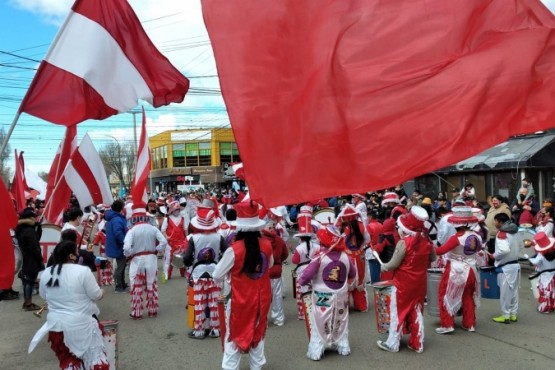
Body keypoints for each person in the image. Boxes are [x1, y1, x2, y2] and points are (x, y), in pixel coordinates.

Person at [28, 240, 108, 370]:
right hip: (82, 324)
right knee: (95, 360)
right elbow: (96, 295)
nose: (78, 254)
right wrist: (102, 292)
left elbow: (43, 295)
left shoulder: (46, 272)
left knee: (69, 362)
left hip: (57, 326)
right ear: (71, 256)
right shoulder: (83, 271)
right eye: (76, 252)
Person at [212, 200, 273, 370]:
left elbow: (217, 274)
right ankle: (256, 366)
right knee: (258, 332)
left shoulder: (235, 249)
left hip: (241, 301)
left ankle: (231, 367)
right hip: (262, 298)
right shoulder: (267, 245)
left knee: (235, 335)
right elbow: (270, 264)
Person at [376, 206, 435, 353]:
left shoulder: (404, 242)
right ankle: (417, 342)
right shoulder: (427, 241)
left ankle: (392, 343)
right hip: (420, 283)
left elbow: (393, 264)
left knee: (397, 311)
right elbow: (433, 258)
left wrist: (384, 266)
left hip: (403, 283)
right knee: (417, 310)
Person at [298, 225, 355, 360]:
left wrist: (304, 282)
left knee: (320, 320)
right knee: (340, 319)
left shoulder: (320, 258)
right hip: (341, 294)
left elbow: (305, 277)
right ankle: (342, 346)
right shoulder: (345, 257)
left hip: (322, 296)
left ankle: (317, 350)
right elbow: (352, 273)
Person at [435, 207, 481, 334]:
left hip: (456, 269)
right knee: (468, 296)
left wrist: (429, 245)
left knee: (446, 295)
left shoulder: (456, 238)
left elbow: (439, 251)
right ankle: (470, 323)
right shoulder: (477, 236)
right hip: (472, 269)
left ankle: (447, 324)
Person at [183, 205, 227, 339]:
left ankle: (200, 331)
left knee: (200, 302)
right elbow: (228, 253)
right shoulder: (219, 237)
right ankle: (215, 329)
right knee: (214, 301)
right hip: (215, 272)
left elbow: (186, 258)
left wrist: (189, 264)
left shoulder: (193, 238)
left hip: (198, 273)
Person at [124, 203, 168, 319]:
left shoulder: (132, 230)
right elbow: (163, 242)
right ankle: (152, 311)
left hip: (137, 259)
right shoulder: (153, 228)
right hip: (151, 258)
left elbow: (126, 248)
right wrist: (156, 250)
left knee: (136, 286)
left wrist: (129, 254)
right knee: (151, 284)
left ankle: (137, 313)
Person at [335, 204, 370, 312]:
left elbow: (336, 238)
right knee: (359, 281)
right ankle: (361, 306)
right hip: (360, 255)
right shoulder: (361, 225)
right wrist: (359, 247)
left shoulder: (342, 228)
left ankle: (345, 307)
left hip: (347, 256)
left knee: (346, 281)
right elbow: (367, 240)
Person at [491, 212, 521, 323]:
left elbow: (504, 250)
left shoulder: (502, 234)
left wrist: (493, 255)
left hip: (505, 267)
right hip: (516, 265)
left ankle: (505, 315)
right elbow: (521, 245)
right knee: (514, 292)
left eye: (495, 221)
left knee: (505, 293)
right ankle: (513, 314)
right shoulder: (515, 232)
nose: (494, 223)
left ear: (500, 222)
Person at [291, 213, 320, 320]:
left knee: (303, 291)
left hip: (302, 271)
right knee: (314, 290)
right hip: (314, 269)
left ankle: (303, 313)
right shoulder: (317, 246)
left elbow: (295, 261)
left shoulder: (299, 248)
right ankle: (316, 311)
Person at [15, 207, 44, 311]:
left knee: (28, 280)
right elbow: (34, 246)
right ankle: (28, 304)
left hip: (26, 257)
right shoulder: (29, 231)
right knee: (30, 281)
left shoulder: (23, 229)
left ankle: (27, 302)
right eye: (35, 217)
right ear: (30, 218)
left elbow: (37, 239)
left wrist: (38, 228)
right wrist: (40, 258)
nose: (36, 219)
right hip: (31, 258)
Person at [263, 220, 289, 326]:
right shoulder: (279, 240)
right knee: (277, 296)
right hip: (276, 270)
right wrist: (278, 262)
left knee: (263, 297)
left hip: (263, 273)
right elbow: (285, 254)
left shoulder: (260, 240)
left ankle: (263, 320)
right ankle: (279, 319)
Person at [105, 200, 128, 293]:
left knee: (121, 265)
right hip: (119, 246)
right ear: (121, 208)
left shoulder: (114, 217)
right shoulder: (117, 219)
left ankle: (122, 283)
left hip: (116, 245)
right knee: (120, 267)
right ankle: (119, 286)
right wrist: (125, 242)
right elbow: (118, 233)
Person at [528, 232, 555, 313]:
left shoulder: (541, 255)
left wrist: (529, 258)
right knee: (553, 291)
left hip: (545, 275)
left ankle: (545, 308)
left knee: (545, 292)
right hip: (553, 274)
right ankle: (553, 306)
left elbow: (535, 262)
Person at [161, 201, 188, 280]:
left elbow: (185, 229)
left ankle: (183, 273)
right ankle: (167, 274)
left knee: (182, 258)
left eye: (178, 209)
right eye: (176, 210)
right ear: (172, 210)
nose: (177, 211)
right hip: (170, 243)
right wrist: (166, 237)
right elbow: (163, 230)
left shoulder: (183, 218)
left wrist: (187, 238)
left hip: (181, 242)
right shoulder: (167, 219)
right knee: (169, 259)